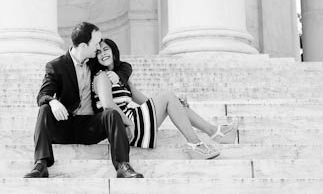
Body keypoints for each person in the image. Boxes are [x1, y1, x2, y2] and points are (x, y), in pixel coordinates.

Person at [24, 22, 143, 178]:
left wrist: (120, 76)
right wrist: (53, 102)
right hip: (64, 124)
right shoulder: (56, 66)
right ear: (83, 45)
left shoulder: (94, 62)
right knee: (44, 109)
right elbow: (42, 95)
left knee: (111, 114)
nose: (99, 48)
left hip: (90, 126)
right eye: (95, 44)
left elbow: (124, 65)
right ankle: (41, 164)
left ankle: (122, 165)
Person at [90, 38, 238, 159]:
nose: (103, 54)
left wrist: (176, 104)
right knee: (167, 96)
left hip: (134, 120)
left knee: (173, 100)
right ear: (95, 58)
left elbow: (145, 102)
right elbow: (108, 105)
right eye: (98, 52)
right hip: (125, 127)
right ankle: (198, 142)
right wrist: (130, 123)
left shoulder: (123, 80)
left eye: (105, 49)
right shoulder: (100, 77)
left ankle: (215, 133)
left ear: (113, 52)